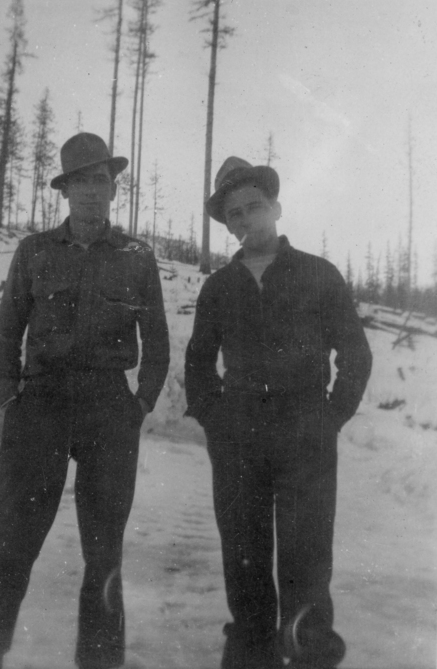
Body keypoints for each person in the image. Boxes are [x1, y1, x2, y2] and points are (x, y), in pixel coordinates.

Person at [0, 132, 170, 669]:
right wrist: (9, 399)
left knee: (104, 555)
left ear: (114, 188)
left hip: (108, 409)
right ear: (65, 190)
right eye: (81, 181)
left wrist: (139, 404)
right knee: (10, 541)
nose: (91, 192)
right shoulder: (33, 251)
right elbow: (7, 333)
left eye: (101, 180)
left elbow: (159, 344)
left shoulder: (137, 257)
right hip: (43, 403)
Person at [185, 157, 372, 669]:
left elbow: (355, 354)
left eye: (254, 207)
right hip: (240, 431)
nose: (247, 221)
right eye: (235, 215)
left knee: (306, 555)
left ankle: (308, 652)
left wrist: (330, 415)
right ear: (228, 226)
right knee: (244, 554)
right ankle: (250, 652)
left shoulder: (318, 273)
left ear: (276, 208)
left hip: (304, 427)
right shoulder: (219, 288)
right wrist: (215, 421)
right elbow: (198, 364)